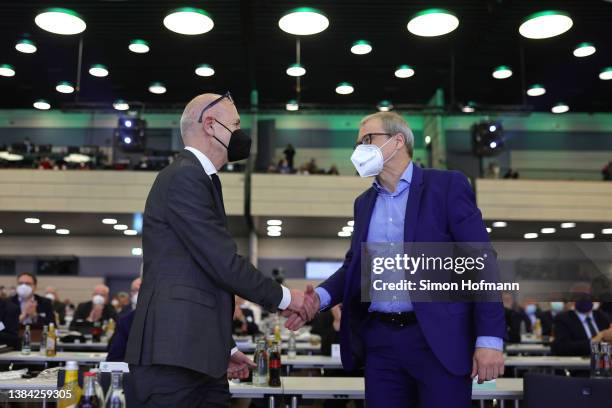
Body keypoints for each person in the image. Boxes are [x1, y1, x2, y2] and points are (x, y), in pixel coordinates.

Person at [284, 112, 505, 407]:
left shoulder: (446, 187)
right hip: (381, 343)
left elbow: (482, 261)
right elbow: (355, 267)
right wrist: (317, 299)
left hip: (437, 341)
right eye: (358, 143)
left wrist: (489, 338)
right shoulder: (363, 203)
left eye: (367, 140)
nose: (359, 150)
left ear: (397, 141)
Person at [125, 92, 306, 407]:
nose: (240, 134)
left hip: (197, 359)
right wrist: (288, 298)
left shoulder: (201, 179)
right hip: (173, 360)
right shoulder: (185, 176)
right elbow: (222, 262)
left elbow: (204, 277)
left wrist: (223, 348)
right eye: (235, 124)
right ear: (210, 125)